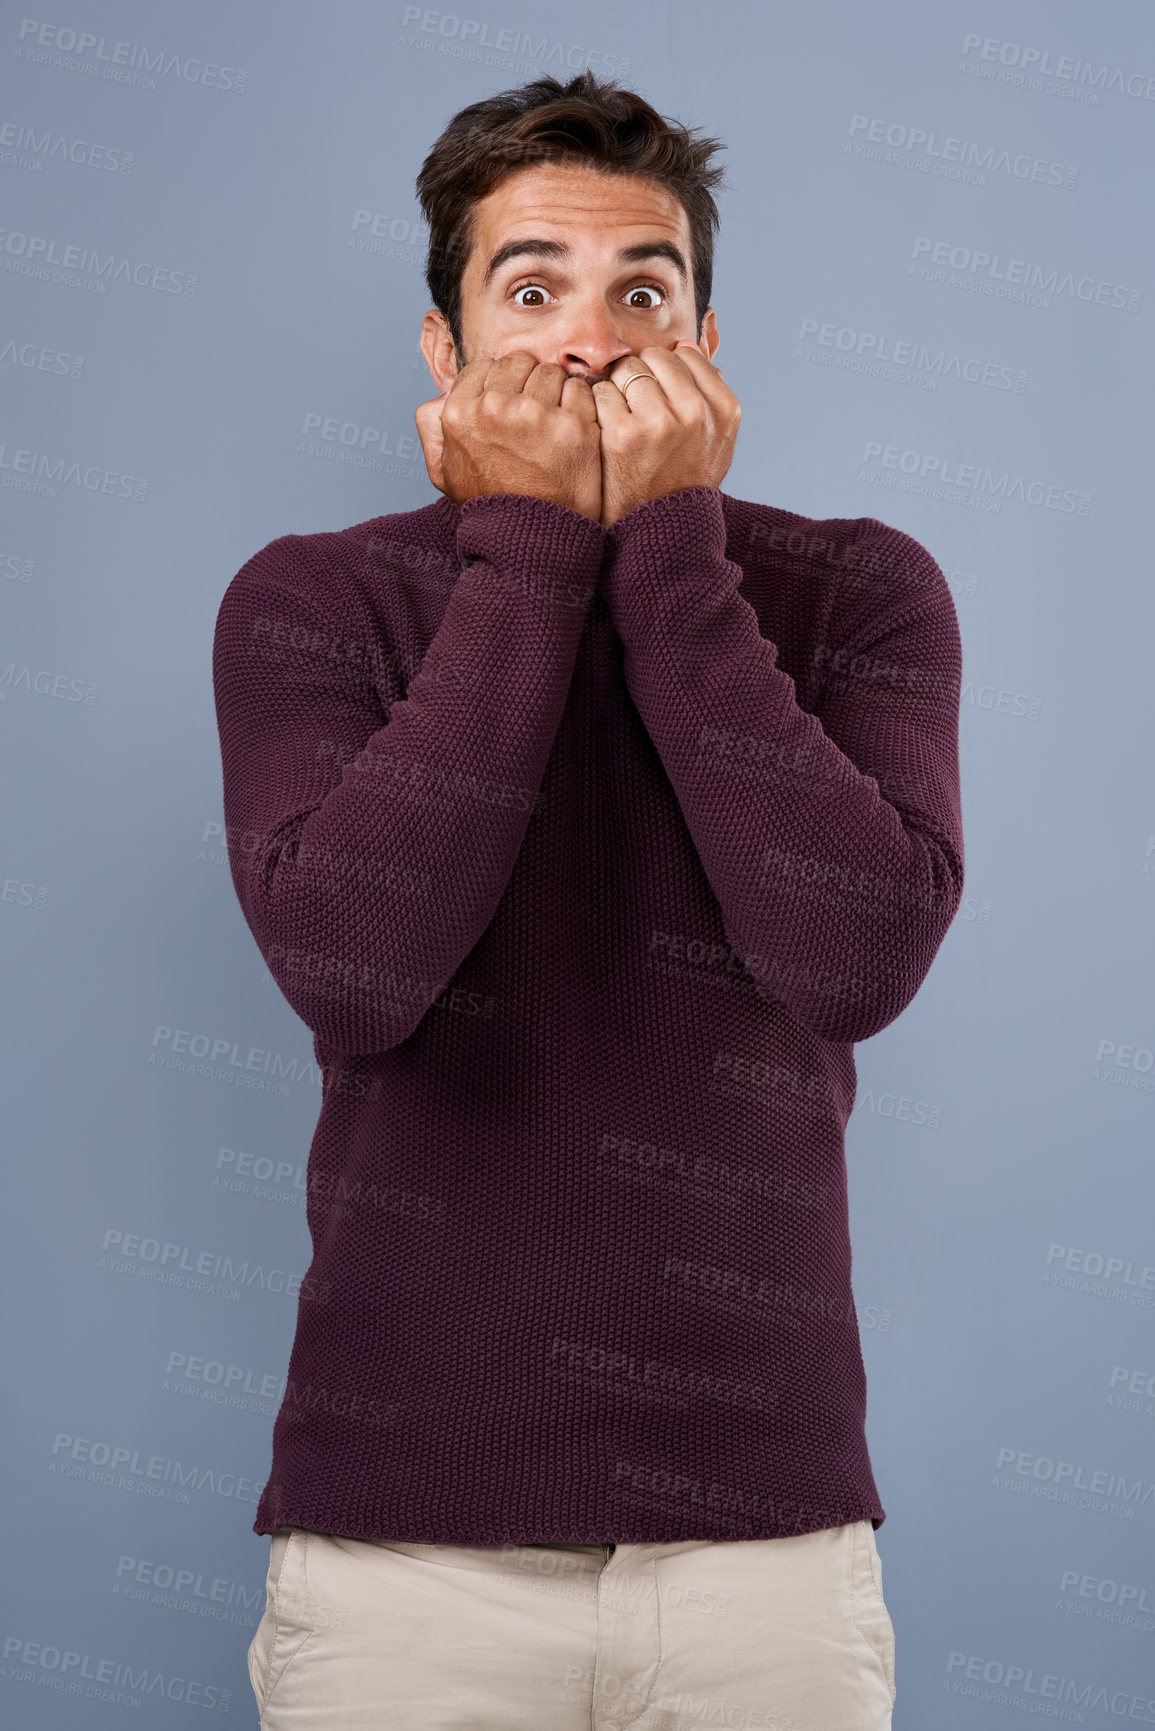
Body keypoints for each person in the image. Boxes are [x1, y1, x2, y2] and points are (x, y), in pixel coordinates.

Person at [212, 67, 964, 1730]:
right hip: (405, 1562)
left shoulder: (861, 591)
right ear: (445, 344)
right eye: (530, 285)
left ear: (706, 339)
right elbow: (353, 966)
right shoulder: (314, 601)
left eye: (644, 291)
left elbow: (849, 959)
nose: (589, 338)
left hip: (766, 1558)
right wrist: (533, 552)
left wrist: (672, 558)